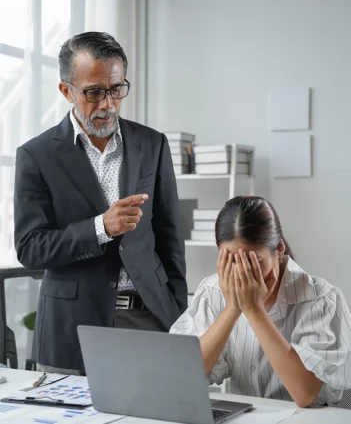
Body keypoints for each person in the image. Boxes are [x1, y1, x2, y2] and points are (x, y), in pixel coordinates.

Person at [14, 31, 187, 374]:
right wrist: (100, 228)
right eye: (94, 92)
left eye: (116, 89)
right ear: (66, 90)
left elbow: (170, 236)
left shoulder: (153, 144)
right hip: (73, 329)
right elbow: (30, 248)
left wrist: (179, 310)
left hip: (149, 317)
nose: (108, 103)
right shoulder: (36, 155)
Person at [171, 196, 351, 407]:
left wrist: (253, 310)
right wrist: (231, 310)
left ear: (279, 250)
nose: (243, 274)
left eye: (253, 263)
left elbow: (305, 394)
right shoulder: (211, 292)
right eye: (231, 261)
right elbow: (180, 374)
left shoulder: (322, 299)